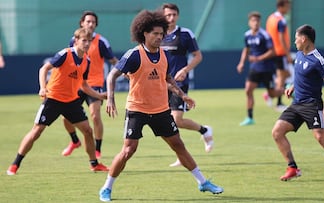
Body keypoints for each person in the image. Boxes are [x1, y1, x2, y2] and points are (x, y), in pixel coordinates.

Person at [98, 10, 223, 202]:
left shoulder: (163, 55)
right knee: (128, 150)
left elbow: (168, 79)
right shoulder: (134, 55)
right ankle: (106, 188)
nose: (159, 37)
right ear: (144, 33)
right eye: (154, 33)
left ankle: (202, 182)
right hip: (137, 110)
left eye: (161, 33)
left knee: (178, 144)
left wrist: (183, 95)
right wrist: (112, 98)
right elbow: (112, 75)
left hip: (160, 110)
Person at [6, 28, 109, 175]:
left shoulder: (87, 61)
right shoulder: (65, 54)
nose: (87, 44)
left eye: (89, 41)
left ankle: (94, 164)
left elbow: (84, 85)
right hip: (53, 99)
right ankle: (15, 164)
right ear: (76, 41)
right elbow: (44, 69)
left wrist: (100, 96)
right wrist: (42, 88)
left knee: (88, 130)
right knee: (37, 131)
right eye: (83, 40)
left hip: (71, 101)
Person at [271, 24, 324, 183]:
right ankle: (292, 168)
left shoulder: (318, 60)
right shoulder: (300, 54)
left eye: (296, 39)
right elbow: (301, 75)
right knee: (277, 132)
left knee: (321, 137)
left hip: (312, 105)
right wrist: (293, 86)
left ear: (304, 39)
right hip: (296, 104)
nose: (294, 42)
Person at [160, 3, 214, 167]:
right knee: (168, 122)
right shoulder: (157, 34)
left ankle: (203, 132)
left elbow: (198, 56)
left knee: (176, 120)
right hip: (161, 85)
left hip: (179, 84)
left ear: (178, 16)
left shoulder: (185, 34)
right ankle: (203, 132)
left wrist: (185, 69)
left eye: (174, 15)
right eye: (168, 15)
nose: (171, 18)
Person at [61, 11, 119, 159]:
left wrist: (127, 70)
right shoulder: (74, 40)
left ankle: (97, 148)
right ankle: (74, 141)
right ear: (82, 23)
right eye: (88, 21)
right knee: (65, 117)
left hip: (95, 84)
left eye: (93, 22)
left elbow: (112, 60)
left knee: (95, 116)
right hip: (77, 85)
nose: (90, 24)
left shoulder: (101, 42)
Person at [237, 11, 283, 126]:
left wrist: (258, 58)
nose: (255, 23)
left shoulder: (265, 35)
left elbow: (272, 51)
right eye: (253, 20)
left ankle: (287, 90)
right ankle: (250, 117)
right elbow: (246, 50)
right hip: (255, 69)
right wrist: (241, 62)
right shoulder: (247, 35)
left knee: (272, 94)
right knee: (248, 90)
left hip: (266, 68)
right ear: (249, 23)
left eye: (257, 20)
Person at [266, 0, 292, 111]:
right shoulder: (281, 20)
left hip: (271, 51)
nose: (288, 9)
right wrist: (287, 54)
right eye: (287, 6)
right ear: (281, 7)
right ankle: (279, 102)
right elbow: (281, 38)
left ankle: (270, 94)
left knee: (285, 75)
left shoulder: (271, 18)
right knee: (282, 76)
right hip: (280, 52)